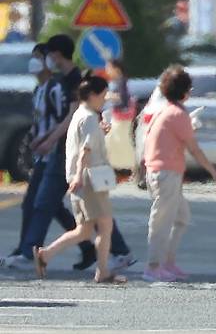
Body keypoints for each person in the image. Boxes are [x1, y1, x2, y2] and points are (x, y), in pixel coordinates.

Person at [15, 34, 135, 273]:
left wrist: (54, 145)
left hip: (73, 160)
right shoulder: (62, 86)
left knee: (58, 209)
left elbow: (74, 124)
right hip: (71, 159)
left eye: (47, 55)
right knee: (82, 219)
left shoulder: (74, 85)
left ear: (57, 54)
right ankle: (44, 253)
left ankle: (35, 252)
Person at [0, 43, 94, 270]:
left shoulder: (57, 87)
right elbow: (40, 120)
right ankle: (88, 248)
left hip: (58, 153)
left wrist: (48, 140)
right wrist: (36, 138)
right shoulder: (39, 90)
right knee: (44, 205)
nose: (34, 62)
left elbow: (63, 118)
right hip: (46, 153)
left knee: (41, 203)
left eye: (39, 57)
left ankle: (28, 251)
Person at [33, 73, 126, 284]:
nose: (104, 99)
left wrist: (75, 176)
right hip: (90, 178)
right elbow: (86, 149)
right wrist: (78, 176)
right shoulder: (90, 118)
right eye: (103, 95)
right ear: (93, 95)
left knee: (84, 230)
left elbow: (84, 142)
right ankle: (102, 271)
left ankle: (45, 255)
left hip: (80, 178)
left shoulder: (80, 114)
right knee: (105, 225)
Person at [143, 65, 216, 282]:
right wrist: (215, 174)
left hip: (160, 172)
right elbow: (194, 149)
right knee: (162, 221)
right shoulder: (178, 114)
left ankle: (167, 262)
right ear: (185, 91)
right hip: (166, 174)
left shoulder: (166, 111)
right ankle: (153, 266)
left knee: (181, 218)